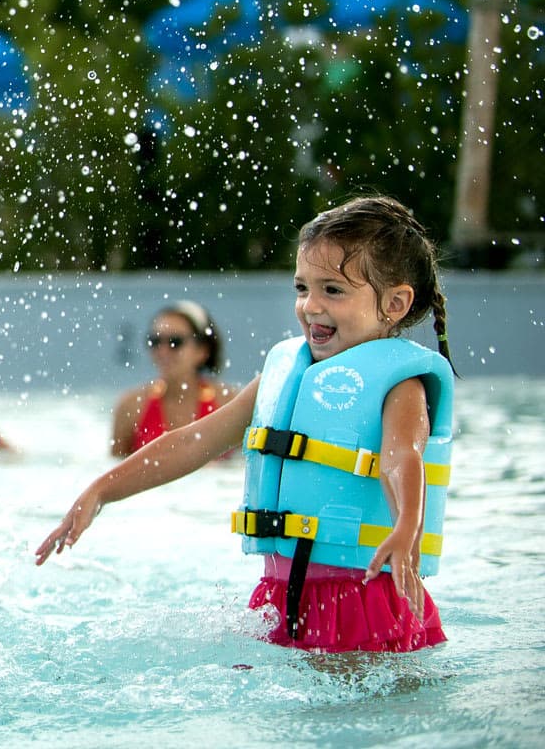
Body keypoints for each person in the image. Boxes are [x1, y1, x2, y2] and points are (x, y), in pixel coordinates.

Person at [37, 196, 453, 654]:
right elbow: (195, 442)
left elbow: (401, 456)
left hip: (366, 600)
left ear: (395, 303)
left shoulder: (401, 384)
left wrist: (406, 526)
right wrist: (103, 489)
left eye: (332, 290)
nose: (310, 306)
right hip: (277, 601)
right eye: (301, 288)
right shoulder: (281, 371)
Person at [110, 300, 235, 458]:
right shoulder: (131, 406)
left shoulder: (227, 403)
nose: (163, 351)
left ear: (202, 350)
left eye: (175, 342)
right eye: (155, 341)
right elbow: (115, 473)